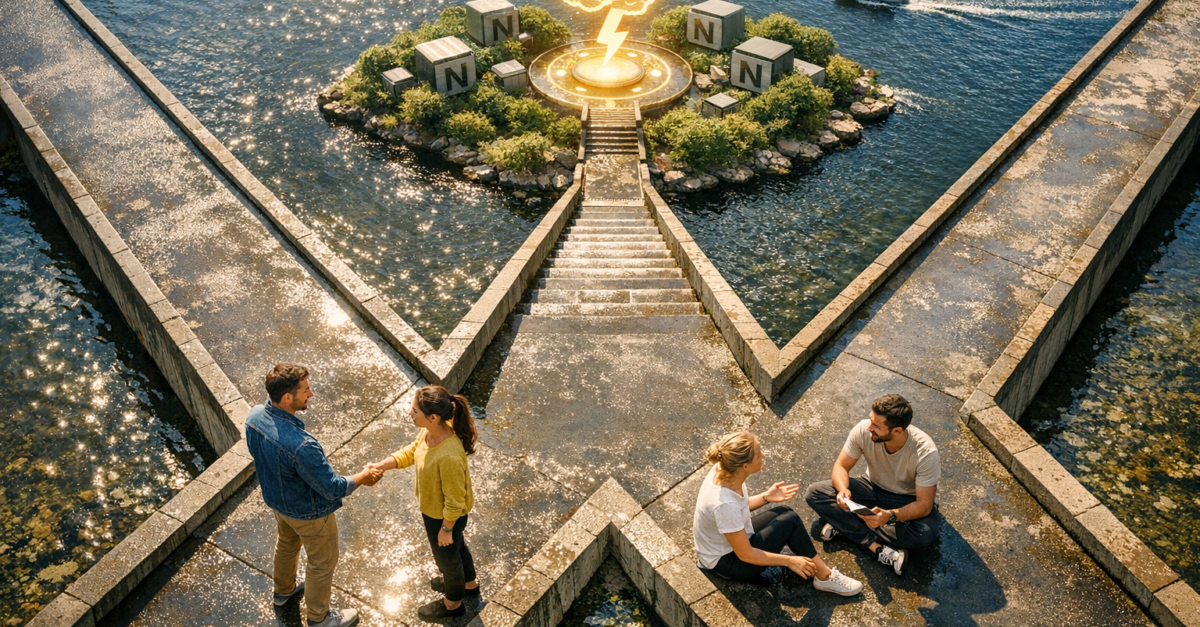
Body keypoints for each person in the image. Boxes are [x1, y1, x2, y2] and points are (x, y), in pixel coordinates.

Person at [245, 363, 382, 627]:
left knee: (286, 544)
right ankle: (319, 619)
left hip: (277, 503)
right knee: (322, 562)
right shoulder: (302, 445)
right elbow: (331, 487)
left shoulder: (254, 416)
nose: (311, 394)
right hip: (310, 514)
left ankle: (283, 593)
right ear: (287, 398)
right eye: (306, 390)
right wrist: (362, 478)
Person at [692, 431, 862, 596]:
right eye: (759, 454)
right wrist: (788, 561)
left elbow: (738, 508)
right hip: (729, 563)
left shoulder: (724, 469)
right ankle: (824, 577)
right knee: (790, 521)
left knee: (785, 511)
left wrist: (766, 497)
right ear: (745, 466)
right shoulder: (723, 504)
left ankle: (812, 564)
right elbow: (745, 553)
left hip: (729, 546)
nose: (763, 455)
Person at [368, 385, 479, 622]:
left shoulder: (448, 454)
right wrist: (382, 464)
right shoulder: (429, 432)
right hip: (438, 512)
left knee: (446, 560)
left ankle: (453, 603)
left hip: (444, 516)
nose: (410, 413)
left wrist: (446, 529)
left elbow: (455, 499)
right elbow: (411, 452)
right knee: (457, 550)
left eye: (414, 410)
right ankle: (469, 584)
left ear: (433, 417)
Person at [804, 394, 941, 576]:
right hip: (871, 487)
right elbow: (841, 466)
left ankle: (846, 525)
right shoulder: (863, 430)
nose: (869, 428)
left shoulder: (926, 452)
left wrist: (890, 516)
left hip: (906, 499)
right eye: (871, 420)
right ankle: (874, 546)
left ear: (897, 431)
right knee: (815, 493)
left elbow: (924, 505)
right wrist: (843, 489)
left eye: (876, 426)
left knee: (924, 534)